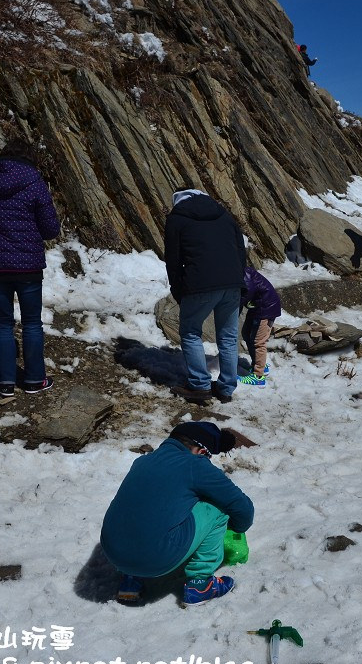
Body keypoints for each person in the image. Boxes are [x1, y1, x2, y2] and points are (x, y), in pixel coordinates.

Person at [101, 421, 253, 607]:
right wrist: (234, 528)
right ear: (201, 451)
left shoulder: (143, 461)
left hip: (114, 554)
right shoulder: (195, 465)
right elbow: (243, 508)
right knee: (218, 509)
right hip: (154, 558)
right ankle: (200, 584)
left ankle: (130, 582)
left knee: (145, 506)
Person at [0, 138, 60, 398]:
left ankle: (4, 383)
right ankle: (34, 380)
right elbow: (50, 229)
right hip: (28, 265)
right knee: (32, 323)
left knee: (2, 323)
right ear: (29, 159)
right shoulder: (34, 183)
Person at [165, 189, 246, 404]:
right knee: (228, 337)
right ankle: (226, 388)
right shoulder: (223, 214)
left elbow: (173, 259)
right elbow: (240, 249)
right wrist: (239, 279)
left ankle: (200, 385)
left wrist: (178, 289)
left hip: (199, 284)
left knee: (191, 332)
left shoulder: (177, 219)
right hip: (232, 283)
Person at [239, 266, 280, 386]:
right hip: (258, 307)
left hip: (267, 309)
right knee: (246, 333)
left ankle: (258, 376)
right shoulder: (241, 271)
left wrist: (235, 307)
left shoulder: (245, 273)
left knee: (259, 341)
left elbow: (246, 292)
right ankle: (259, 364)